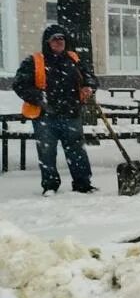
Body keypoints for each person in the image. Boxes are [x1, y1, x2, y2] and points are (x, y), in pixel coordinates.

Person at [12, 24, 99, 195]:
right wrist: (38, 97)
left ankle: (82, 184)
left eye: (62, 38)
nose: (59, 42)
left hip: (71, 113)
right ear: (47, 42)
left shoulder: (74, 59)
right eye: (55, 39)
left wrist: (89, 86)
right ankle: (50, 185)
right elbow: (19, 84)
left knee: (76, 151)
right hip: (45, 116)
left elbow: (90, 77)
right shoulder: (34, 61)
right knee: (47, 152)